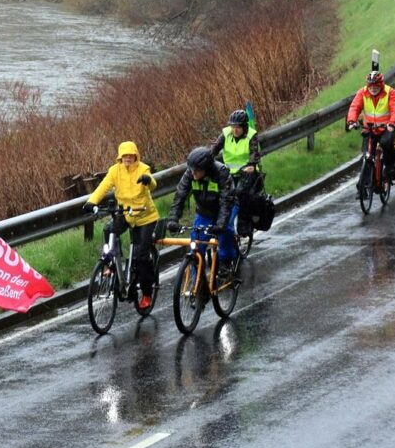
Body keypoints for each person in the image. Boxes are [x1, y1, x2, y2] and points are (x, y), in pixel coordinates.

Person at [82, 141, 159, 310]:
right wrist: (91, 201)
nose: (128, 159)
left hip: (145, 216)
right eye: (125, 156)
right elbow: (103, 187)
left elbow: (153, 184)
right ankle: (111, 263)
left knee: (141, 256)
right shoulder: (114, 171)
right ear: (120, 157)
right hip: (125, 213)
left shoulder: (143, 168)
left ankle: (147, 293)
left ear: (135, 156)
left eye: (131, 156)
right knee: (109, 229)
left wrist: (148, 180)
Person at [166, 146, 238, 276]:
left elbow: (226, 201)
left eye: (197, 171)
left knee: (226, 231)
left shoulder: (221, 172)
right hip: (204, 211)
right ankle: (197, 286)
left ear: (206, 168)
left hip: (224, 208)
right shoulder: (190, 173)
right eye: (191, 170)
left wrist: (220, 224)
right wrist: (173, 219)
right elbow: (180, 197)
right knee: (196, 247)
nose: (193, 174)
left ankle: (226, 262)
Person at [211, 109, 263, 237]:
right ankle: (218, 223)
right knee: (219, 196)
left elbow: (254, 152)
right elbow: (214, 149)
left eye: (238, 127)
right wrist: (206, 160)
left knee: (242, 195)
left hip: (247, 173)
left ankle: (244, 225)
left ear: (244, 127)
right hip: (227, 173)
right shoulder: (226, 133)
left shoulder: (251, 135)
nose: (235, 130)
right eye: (233, 126)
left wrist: (251, 164)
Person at [346, 71, 395, 181]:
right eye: (370, 86)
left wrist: (392, 123)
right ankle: (363, 184)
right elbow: (355, 107)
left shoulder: (390, 92)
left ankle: (389, 166)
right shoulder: (362, 93)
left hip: (386, 128)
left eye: (376, 86)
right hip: (370, 129)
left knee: (387, 144)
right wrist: (352, 121)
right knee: (366, 154)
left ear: (381, 84)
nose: (373, 89)